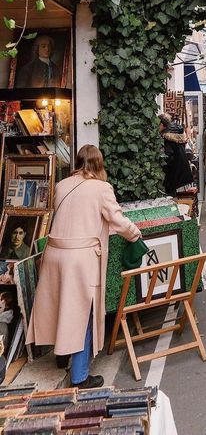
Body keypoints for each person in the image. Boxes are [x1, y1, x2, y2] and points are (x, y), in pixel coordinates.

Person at [26, 145, 142, 389]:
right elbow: (117, 220)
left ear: (77, 162)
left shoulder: (62, 185)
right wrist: (135, 234)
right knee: (83, 313)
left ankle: (61, 355)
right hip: (80, 259)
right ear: (99, 164)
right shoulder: (102, 188)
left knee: (60, 306)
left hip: (54, 253)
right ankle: (80, 376)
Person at [158, 113, 194, 196]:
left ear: (162, 125)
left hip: (173, 172)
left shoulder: (166, 137)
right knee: (175, 196)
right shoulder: (177, 133)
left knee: (171, 196)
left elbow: (168, 155)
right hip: (181, 169)